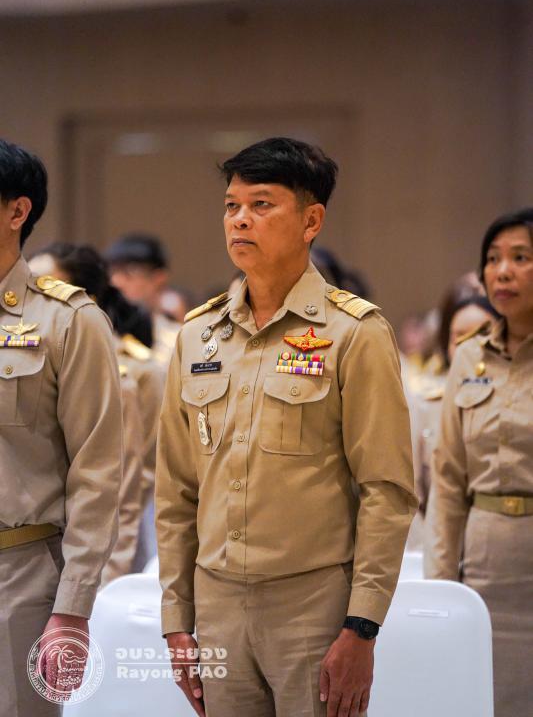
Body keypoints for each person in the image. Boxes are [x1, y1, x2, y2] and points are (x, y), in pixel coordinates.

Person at [156, 137, 417, 717]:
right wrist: (176, 620)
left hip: (313, 605)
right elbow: (175, 491)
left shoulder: (354, 332)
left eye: (262, 204)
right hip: (217, 605)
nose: (239, 219)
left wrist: (362, 626)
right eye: (231, 206)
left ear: (311, 220)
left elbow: (387, 489)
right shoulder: (197, 336)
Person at [0, 139, 123, 715]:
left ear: (17, 211)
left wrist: (72, 608)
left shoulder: (68, 321)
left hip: (19, 575)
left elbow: (97, 473)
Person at [424, 207, 533, 716]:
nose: (502, 271)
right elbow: (448, 481)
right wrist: (441, 587)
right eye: (493, 259)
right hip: (484, 564)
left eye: (520, 258)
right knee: (482, 696)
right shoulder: (470, 358)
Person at [29, 242, 165, 579]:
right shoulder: (23, 368)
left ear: (85, 301)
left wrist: (103, 586)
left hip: (93, 554)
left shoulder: (126, 378)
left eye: (48, 290)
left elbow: (126, 492)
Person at [406, 294, 497, 550]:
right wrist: (430, 556)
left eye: (483, 334)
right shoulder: (424, 406)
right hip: (438, 548)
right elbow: (410, 496)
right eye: (459, 337)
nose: (470, 347)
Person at [104, 233, 180, 366]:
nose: (116, 281)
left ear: (159, 278)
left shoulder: (177, 339)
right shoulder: (102, 332)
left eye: (130, 271)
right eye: (113, 271)